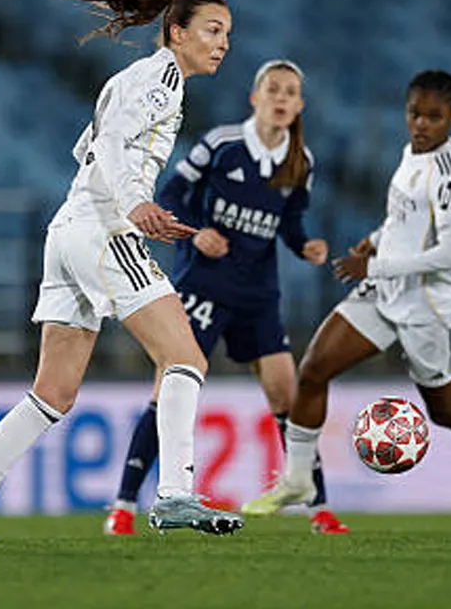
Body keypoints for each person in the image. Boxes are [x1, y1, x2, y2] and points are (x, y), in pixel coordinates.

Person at [0, 0, 241, 541]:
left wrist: (138, 204)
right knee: (186, 358)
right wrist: (135, 204)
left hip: (70, 229)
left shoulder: (139, 77)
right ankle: (175, 494)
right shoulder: (163, 79)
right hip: (102, 232)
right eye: (213, 30)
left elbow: (87, 150)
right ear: (176, 32)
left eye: (227, 33)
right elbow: (115, 147)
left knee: (53, 393)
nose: (223, 43)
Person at [242, 70, 451, 519]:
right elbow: (405, 217)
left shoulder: (449, 176)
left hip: (433, 308)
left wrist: (372, 265)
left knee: (447, 410)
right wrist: (376, 239)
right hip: (385, 290)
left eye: (434, 117)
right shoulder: (412, 152)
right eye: (415, 114)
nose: (421, 125)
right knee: (315, 367)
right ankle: (298, 480)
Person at [104, 60, 350, 536]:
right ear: (255, 98)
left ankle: (319, 509)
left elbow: (292, 223)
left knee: (287, 394)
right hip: (204, 285)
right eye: (273, 89)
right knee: (170, 387)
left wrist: (307, 247)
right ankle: (123, 505)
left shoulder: (302, 163)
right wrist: (195, 235)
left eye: (291, 93)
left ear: (299, 106)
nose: (281, 98)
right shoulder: (222, 144)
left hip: (258, 293)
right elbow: (173, 191)